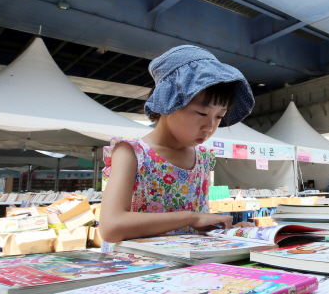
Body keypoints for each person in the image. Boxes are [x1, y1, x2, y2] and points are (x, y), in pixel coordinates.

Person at [99, 45, 255, 243]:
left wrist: (229, 230)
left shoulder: (203, 158)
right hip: (141, 269)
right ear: (169, 102)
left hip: (188, 269)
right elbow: (111, 227)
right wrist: (192, 217)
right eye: (202, 113)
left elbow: (194, 231)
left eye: (219, 116)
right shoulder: (132, 153)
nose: (210, 126)